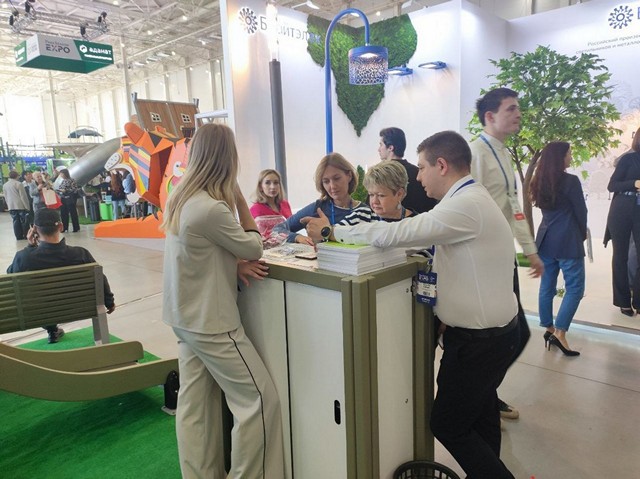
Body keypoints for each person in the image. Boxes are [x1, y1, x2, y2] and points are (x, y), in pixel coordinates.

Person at [304, 131, 518, 478]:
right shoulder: (469, 198)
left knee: (448, 424)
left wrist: (331, 234)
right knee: (481, 420)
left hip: (479, 343)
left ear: (442, 165)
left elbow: (397, 233)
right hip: (490, 337)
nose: (418, 177)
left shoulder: (464, 205)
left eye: (422, 168)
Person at [160, 123, 284, 479]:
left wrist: (231, 265)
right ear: (228, 158)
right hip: (212, 323)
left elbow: (196, 256)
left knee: (194, 406)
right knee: (258, 401)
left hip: (183, 317)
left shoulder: (180, 197)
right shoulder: (212, 208)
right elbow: (254, 245)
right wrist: (241, 199)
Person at [469, 87, 543, 420]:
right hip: (483, 261)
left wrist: (530, 250)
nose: (518, 114)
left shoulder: (502, 152)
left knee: (514, 335)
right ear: (490, 116)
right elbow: (466, 208)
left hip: (503, 259)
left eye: (518, 108)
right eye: (511, 108)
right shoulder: (476, 153)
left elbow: (513, 206)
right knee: (510, 334)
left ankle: (484, 395)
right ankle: (481, 398)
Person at [7, 208, 116, 343]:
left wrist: (30, 248)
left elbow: (10, 275)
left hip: (38, 314)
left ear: (34, 229)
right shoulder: (81, 254)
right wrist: (109, 301)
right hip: (78, 310)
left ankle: (52, 329)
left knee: (43, 299)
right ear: (61, 226)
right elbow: (100, 279)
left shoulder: (24, 258)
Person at [529, 142, 587, 356]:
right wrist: (582, 234)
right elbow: (581, 212)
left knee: (547, 286)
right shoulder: (571, 181)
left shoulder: (538, 181)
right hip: (568, 240)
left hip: (545, 239)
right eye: (569, 153)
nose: (571, 157)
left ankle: (549, 328)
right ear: (560, 157)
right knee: (575, 288)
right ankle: (560, 333)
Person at [274, 153, 371, 245]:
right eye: (326, 181)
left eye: (337, 178)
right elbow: (277, 230)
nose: (332, 186)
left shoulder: (365, 211)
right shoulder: (318, 208)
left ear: (349, 176)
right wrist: (297, 237)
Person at [604, 126, 640, 317]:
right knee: (620, 256)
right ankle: (623, 302)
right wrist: (634, 183)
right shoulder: (628, 159)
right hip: (622, 208)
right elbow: (612, 185)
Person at [378, 127, 438, 213]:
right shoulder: (419, 172)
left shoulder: (381, 174)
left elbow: (373, 206)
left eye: (381, 145)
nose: (379, 149)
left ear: (390, 148)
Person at [339, 160, 413, 225]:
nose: (374, 201)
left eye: (381, 195)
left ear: (399, 194)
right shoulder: (360, 216)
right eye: (371, 195)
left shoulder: (414, 223)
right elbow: (333, 232)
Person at [3, 170, 30, 240]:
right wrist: (27, 206)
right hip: (20, 206)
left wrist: (8, 205)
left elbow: (5, 196)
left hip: (11, 206)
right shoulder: (19, 184)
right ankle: (25, 235)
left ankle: (18, 236)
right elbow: (23, 196)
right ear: (16, 176)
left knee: (15, 221)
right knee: (23, 221)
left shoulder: (5, 185)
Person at [55, 169, 81, 233]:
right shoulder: (63, 181)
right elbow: (60, 188)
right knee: (63, 213)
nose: (61, 175)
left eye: (62, 174)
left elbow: (74, 189)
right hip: (63, 198)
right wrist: (59, 191)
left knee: (73, 213)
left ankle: (76, 227)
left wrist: (66, 190)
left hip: (70, 198)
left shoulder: (71, 180)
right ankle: (64, 227)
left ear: (65, 173)